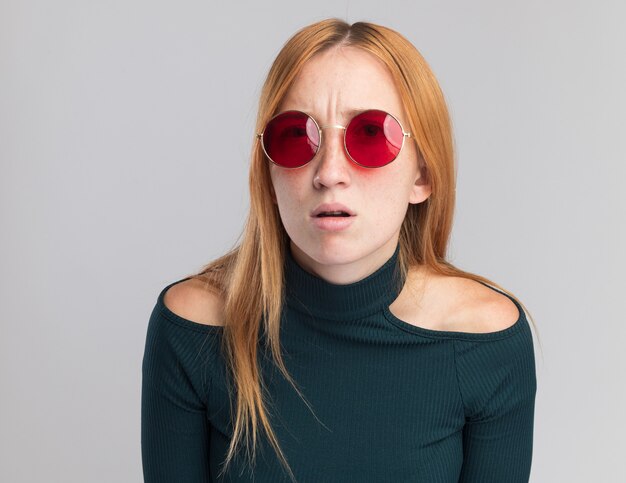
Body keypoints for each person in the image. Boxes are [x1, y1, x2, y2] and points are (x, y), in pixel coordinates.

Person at [141, 18, 539, 483]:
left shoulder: (486, 342)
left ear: (423, 175)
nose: (329, 172)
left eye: (370, 135)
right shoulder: (194, 328)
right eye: (295, 137)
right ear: (267, 174)